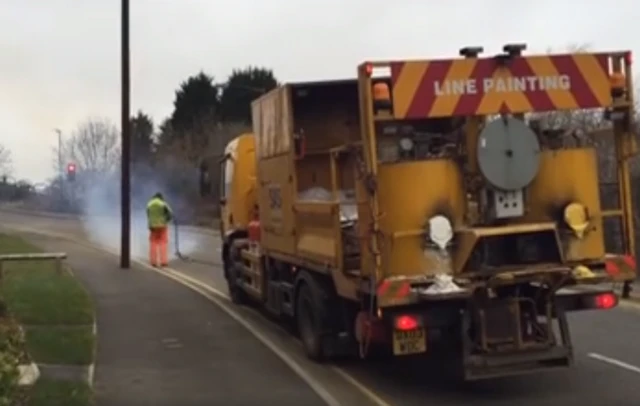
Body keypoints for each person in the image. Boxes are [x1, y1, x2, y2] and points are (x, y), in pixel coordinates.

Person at [146, 192, 173, 267]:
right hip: (162, 226)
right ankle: (163, 261)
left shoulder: (149, 204)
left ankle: (153, 262)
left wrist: (151, 223)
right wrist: (166, 220)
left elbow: (148, 215)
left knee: (153, 243)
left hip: (153, 227)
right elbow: (170, 213)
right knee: (163, 243)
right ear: (161, 197)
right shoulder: (163, 203)